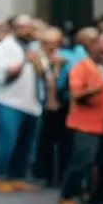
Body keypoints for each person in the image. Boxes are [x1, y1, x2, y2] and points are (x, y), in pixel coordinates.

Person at [60, 32, 103, 204]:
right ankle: (67, 197)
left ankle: (99, 200)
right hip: (86, 123)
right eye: (102, 48)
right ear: (94, 47)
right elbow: (77, 95)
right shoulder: (82, 67)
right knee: (83, 161)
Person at [0, 15, 45, 193]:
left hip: (32, 103)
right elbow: (2, 77)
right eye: (22, 27)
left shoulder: (35, 47)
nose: (27, 30)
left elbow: (44, 73)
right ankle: (1, 177)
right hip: (10, 103)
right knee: (8, 141)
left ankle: (18, 177)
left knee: (26, 144)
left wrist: (38, 64)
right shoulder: (4, 47)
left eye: (29, 26)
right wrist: (24, 62)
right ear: (14, 28)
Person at [34, 27, 69, 186]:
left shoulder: (66, 57)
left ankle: (61, 176)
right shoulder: (36, 55)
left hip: (61, 104)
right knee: (44, 141)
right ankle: (44, 175)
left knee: (63, 143)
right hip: (39, 102)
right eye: (47, 43)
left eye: (54, 43)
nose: (51, 46)